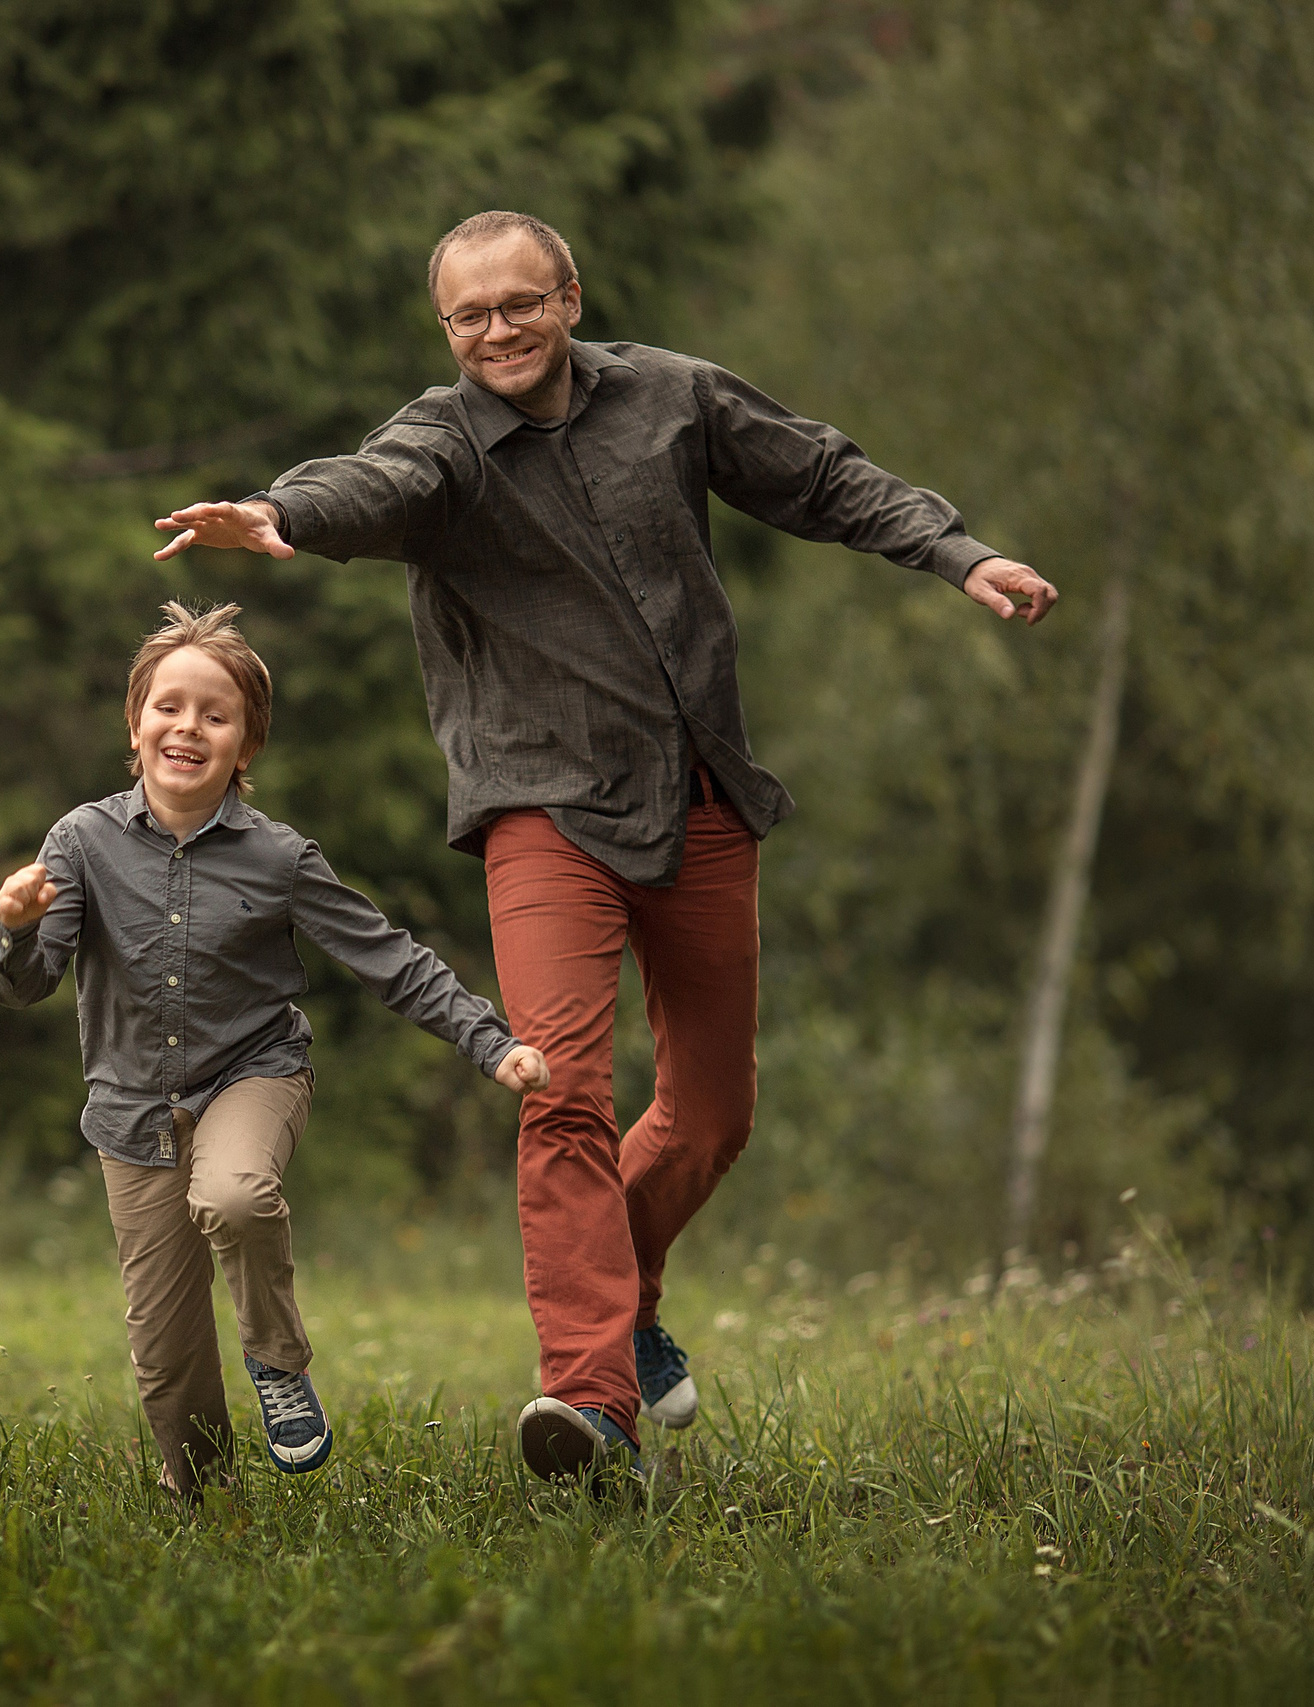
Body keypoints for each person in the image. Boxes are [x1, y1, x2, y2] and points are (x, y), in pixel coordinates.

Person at [152, 210, 1058, 1487]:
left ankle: (621, 1299)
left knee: (710, 1114)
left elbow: (822, 476)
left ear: (569, 298)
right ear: (446, 331)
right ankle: (587, 1402)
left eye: (518, 304)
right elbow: (368, 486)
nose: (496, 332)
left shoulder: (675, 398)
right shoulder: (442, 442)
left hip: (694, 798)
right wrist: (275, 515)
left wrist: (954, 551)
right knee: (561, 1089)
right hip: (541, 810)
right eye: (468, 316)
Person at [0, 600, 551, 1497]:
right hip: (132, 1114)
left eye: (216, 714)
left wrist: (490, 1041)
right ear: (136, 724)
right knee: (165, 1359)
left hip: (255, 1074)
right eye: (169, 706)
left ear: (246, 747)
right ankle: (206, 1498)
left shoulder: (279, 857)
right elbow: (25, 984)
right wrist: (12, 928)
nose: (188, 726)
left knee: (236, 1194)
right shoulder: (79, 843)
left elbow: (387, 956)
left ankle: (278, 1363)